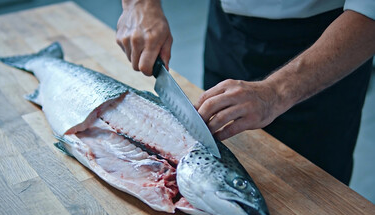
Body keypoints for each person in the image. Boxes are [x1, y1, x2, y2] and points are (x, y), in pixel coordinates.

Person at [116, 0, 375, 185]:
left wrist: (275, 92)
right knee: (216, 153)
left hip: (330, 41)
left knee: (315, 192)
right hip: (230, 26)